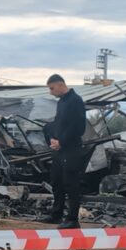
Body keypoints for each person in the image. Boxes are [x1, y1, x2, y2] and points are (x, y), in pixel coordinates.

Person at [39, 74, 86, 229]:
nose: (51, 92)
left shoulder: (75, 101)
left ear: (60, 85)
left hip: (71, 149)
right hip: (59, 150)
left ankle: (73, 219)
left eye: (52, 88)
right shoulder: (61, 103)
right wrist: (52, 138)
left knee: (71, 183)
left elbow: (78, 127)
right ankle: (56, 214)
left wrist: (62, 141)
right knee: (56, 181)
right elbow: (58, 123)